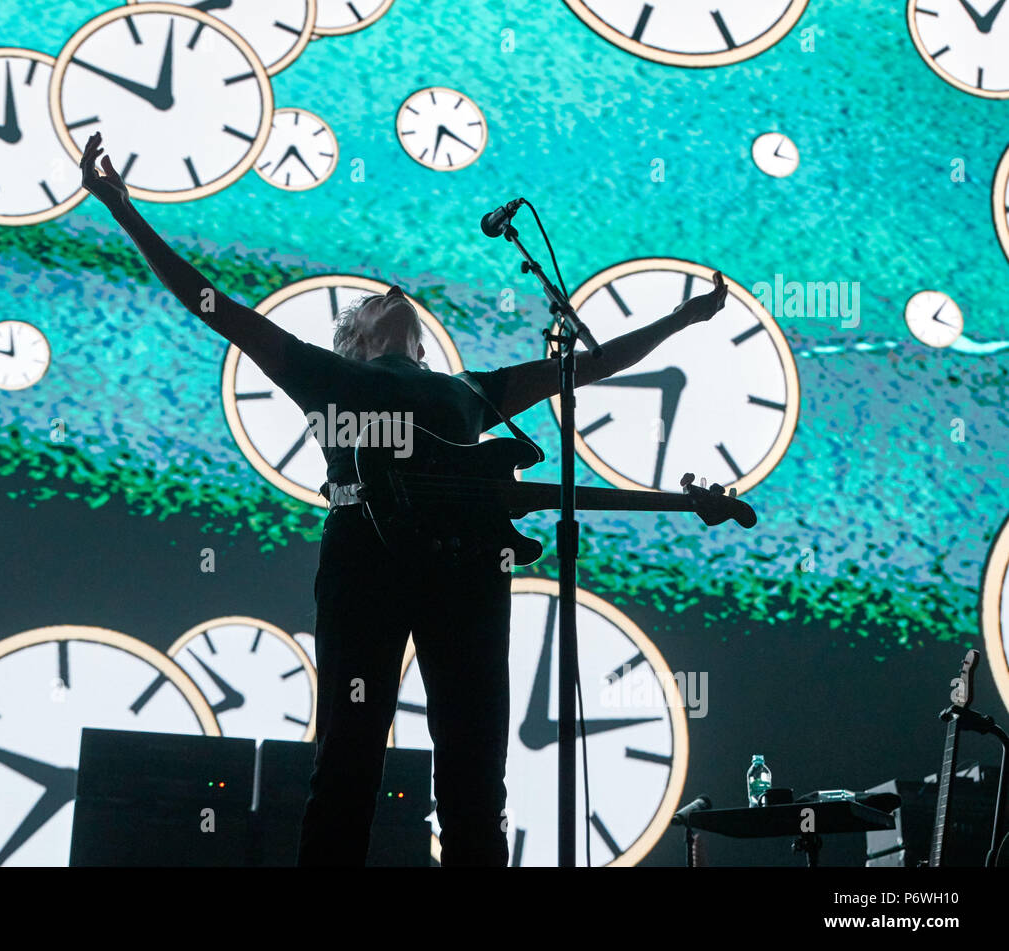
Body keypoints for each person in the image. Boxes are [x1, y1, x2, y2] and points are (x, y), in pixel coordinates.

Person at [78, 132, 728, 866]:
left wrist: (683, 319)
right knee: (348, 765)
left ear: (420, 344)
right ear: (352, 342)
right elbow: (215, 307)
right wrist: (124, 213)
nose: (391, 293)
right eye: (367, 304)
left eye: (395, 296)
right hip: (365, 562)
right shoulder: (328, 376)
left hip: (471, 572)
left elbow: (593, 364)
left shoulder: (470, 391)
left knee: (476, 778)